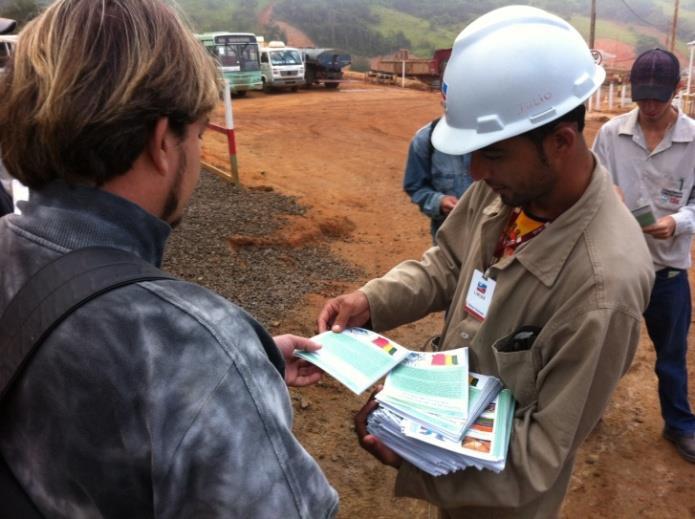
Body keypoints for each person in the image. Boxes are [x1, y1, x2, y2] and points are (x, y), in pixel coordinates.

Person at [0, 1, 338, 517]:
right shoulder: (198, 346)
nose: (200, 157)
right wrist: (224, 369)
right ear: (163, 142)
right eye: (199, 136)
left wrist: (254, 359)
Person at [318, 6, 654, 518]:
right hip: (449, 442)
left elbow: (541, 456)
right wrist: (371, 301)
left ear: (560, 142)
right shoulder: (506, 192)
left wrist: (414, 459)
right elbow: (447, 265)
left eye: (492, 153)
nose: (474, 171)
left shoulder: (603, 289)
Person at [593, 48, 695, 464]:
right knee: (600, 350)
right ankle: (587, 413)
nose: (649, 106)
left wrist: (678, 223)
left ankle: (680, 424)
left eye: (659, 97)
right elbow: (589, 189)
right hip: (617, 269)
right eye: (642, 96)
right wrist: (604, 196)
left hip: (668, 273)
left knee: (671, 357)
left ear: (678, 88)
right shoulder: (610, 134)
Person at [403, 118, 473, 242]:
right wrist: (438, 201)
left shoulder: (498, 138)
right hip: (449, 239)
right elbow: (415, 186)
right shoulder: (426, 139)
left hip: (497, 241)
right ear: (442, 98)